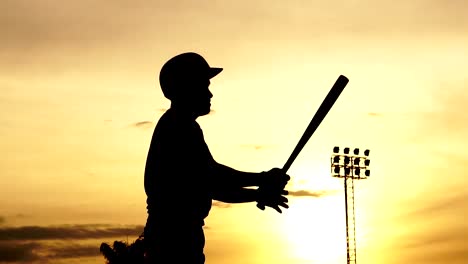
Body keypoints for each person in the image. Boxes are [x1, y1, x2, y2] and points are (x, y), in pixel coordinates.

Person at [143, 52, 290, 264]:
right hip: (174, 237)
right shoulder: (178, 127)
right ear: (187, 87)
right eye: (204, 85)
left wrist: (259, 192)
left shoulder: (181, 125)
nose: (210, 94)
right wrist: (262, 180)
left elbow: (211, 183)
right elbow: (212, 178)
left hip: (177, 234)